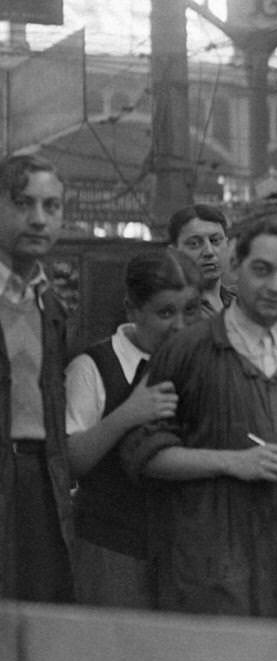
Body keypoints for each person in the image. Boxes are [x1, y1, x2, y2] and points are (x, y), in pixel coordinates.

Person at [121, 217, 277, 619]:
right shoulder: (188, 350)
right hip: (215, 568)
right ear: (235, 267)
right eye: (261, 270)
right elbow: (142, 453)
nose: (274, 287)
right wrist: (234, 462)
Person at [66, 249, 202, 607]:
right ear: (133, 310)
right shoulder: (93, 366)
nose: (180, 326)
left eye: (190, 311)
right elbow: (71, 461)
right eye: (165, 313)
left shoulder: (201, 364)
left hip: (181, 549)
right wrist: (128, 414)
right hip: (111, 546)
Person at [0, 153, 74, 602]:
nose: (39, 219)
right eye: (23, 204)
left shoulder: (52, 307)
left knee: (37, 619)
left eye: (52, 207)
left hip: (41, 482)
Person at [167, 204, 235, 318]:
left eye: (215, 241)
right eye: (194, 243)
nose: (209, 252)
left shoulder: (241, 304)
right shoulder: (173, 311)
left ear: (227, 244)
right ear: (173, 252)